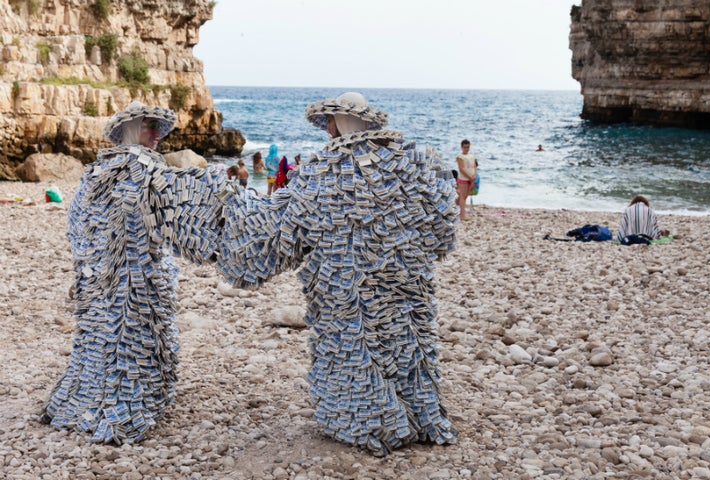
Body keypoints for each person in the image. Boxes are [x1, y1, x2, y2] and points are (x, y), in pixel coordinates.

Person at [216, 92, 458, 456]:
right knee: (405, 346)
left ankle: (373, 424)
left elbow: (287, 231)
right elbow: (443, 230)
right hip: (405, 283)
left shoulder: (321, 170)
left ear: (341, 122)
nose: (327, 129)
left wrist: (229, 223)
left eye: (330, 121)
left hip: (347, 289)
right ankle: (419, 416)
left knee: (355, 348)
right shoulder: (415, 163)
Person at [40, 101, 227, 444]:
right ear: (130, 129)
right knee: (130, 342)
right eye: (148, 127)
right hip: (129, 285)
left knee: (100, 339)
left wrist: (92, 271)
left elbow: (80, 226)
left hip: (100, 282)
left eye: (157, 127)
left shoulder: (95, 174)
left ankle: (85, 404)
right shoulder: (143, 172)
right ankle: (125, 413)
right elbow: (181, 223)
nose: (156, 135)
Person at [455, 139, 477, 221]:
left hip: (471, 178)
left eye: (468, 147)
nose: (466, 149)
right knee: (463, 196)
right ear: (461, 147)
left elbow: (474, 166)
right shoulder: (460, 157)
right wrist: (469, 176)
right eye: (465, 147)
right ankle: (462, 215)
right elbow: (461, 169)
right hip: (463, 178)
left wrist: (474, 175)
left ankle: (459, 210)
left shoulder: (472, 156)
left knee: (466, 196)